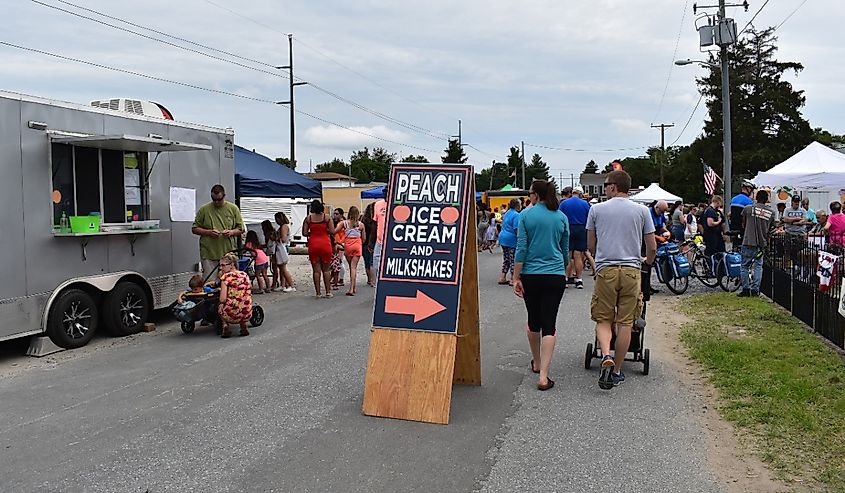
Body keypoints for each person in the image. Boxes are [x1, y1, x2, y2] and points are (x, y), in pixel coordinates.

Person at [587, 170, 656, 390]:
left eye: (606, 185)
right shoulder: (642, 211)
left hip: (606, 269)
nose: (605, 188)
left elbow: (591, 243)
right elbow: (651, 244)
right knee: (626, 322)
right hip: (631, 270)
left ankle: (605, 354)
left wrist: (599, 256)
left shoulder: (596, 209)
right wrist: (647, 260)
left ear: (614, 186)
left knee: (603, 318)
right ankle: (616, 370)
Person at [513, 180, 569, 391]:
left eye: (530, 193)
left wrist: (516, 277)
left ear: (536, 195)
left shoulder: (525, 216)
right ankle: (544, 376)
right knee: (550, 323)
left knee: (533, 320)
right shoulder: (561, 217)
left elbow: (521, 249)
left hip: (531, 274)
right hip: (555, 274)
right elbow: (565, 252)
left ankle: (536, 361)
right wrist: (561, 269)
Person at [191, 185, 245, 277]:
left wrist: (231, 232)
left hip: (228, 252)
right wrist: (208, 232)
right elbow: (194, 228)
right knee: (210, 281)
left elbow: (241, 229)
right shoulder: (204, 209)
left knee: (230, 280)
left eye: (219, 199)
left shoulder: (233, 208)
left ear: (224, 196)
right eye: (213, 199)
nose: (216, 202)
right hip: (209, 253)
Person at [738, 190, 775, 297]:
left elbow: (743, 224)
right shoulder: (771, 213)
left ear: (756, 197)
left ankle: (745, 289)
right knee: (758, 266)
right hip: (761, 243)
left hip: (748, 241)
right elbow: (771, 228)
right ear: (767, 199)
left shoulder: (747, 209)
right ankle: (755, 290)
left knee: (744, 266)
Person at [559, 185, 591, 289]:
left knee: (567, 254)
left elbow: (560, 217)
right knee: (578, 256)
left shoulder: (564, 203)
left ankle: (566, 278)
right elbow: (589, 219)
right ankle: (579, 279)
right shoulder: (585, 204)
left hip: (568, 228)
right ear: (580, 194)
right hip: (581, 228)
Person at [303, 200, 335, 298]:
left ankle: (318, 293)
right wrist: (324, 231)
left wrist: (312, 233)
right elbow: (332, 231)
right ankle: (328, 292)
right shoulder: (327, 218)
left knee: (316, 270)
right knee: (326, 269)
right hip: (325, 244)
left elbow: (304, 233)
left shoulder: (308, 218)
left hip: (313, 244)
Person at [217, 252, 253, 338]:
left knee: (220, 306)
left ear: (232, 265)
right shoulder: (244, 275)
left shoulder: (226, 277)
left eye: (223, 265)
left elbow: (223, 299)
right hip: (247, 313)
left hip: (231, 314)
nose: (221, 268)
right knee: (242, 302)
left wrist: (221, 303)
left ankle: (225, 325)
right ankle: (243, 325)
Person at [342, 206, 366, 296]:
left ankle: (352, 288)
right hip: (357, 245)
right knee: (354, 267)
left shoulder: (344, 223)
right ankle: (353, 287)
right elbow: (364, 239)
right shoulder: (361, 225)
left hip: (348, 245)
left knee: (350, 266)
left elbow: (334, 231)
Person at [497, 198, 521, 285]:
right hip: (511, 239)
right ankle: (512, 279)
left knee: (506, 259)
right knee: (513, 259)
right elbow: (516, 229)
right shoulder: (516, 215)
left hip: (503, 237)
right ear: (517, 205)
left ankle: (502, 277)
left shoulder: (507, 213)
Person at [274, 212, 296, 292]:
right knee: (281, 268)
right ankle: (283, 285)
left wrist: (275, 238)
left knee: (283, 268)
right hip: (282, 248)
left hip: (282, 248)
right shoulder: (284, 226)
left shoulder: (283, 227)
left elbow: (283, 239)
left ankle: (291, 285)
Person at [244, 230, 271, 294]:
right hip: (264, 258)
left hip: (259, 260)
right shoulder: (257, 243)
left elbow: (245, 249)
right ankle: (268, 288)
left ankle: (261, 289)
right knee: (264, 274)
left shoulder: (248, 244)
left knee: (258, 275)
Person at [372, 186, 389, 284]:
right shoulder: (378, 204)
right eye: (384, 192)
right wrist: (371, 240)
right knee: (376, 263)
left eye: (387, 192)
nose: (385, 194)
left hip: (391, 241)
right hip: (379, 239)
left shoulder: (398, 204)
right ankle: (379, 281)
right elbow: (375, 223)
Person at [261, 220, 282, 292]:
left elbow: (269, 243)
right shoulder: (274, 231)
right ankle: (275, 282)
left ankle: (274, 283)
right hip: (275, 251)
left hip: (274, 252)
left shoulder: (269, 234)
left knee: (275, 268)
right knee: (275, 268)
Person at [362, 202, 378, 287]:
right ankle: (373, 280)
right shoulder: (375, 221)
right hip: (373, 242)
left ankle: (369, 279)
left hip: (364, 243)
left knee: (367, 262)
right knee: (373, 262)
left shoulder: (363, 220)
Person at [331, 208, 346, 289]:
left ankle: (341, 279)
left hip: (340, 243)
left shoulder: (343, 223)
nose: (335, 215)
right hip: (336, 243)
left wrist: (341, 242)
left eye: (337, 214)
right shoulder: (335, 222)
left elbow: (344, 234)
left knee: (340, 261)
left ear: (341, 214)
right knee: (336, 261)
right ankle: (336, 278)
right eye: (334, 214)